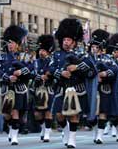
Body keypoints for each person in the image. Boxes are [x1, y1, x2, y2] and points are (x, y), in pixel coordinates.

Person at [50, 18, 97, 148]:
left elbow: (92, 70)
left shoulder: (82, 54)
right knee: (59, 115)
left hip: (77, 87)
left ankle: (72, 139)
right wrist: (61, 73)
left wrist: (76, 68)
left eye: (68, 40)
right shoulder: (57, 55)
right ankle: (65, 131)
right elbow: (51, 69)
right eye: (64, 40)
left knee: (74, 115)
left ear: (74, 41)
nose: (66, 42)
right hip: (61, 88)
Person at [0, 25, 31, 146]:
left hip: (19, 89)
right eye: (8, 43)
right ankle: (10, 129)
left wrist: (21, 72)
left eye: (12, 43)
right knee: (7, 115)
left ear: (17, 44)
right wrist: (8, 77)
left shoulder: (25, 57)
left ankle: (14, 136)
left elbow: (32, 71)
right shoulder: (2, 57)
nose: (10, 45)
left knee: (15, 112)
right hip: (6, 88)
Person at [31, 34, 55, 142]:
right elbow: (31, 72)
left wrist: (49, 75)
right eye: (40, 50)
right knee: (37, 114)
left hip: (48, 88)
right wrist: (37, 76)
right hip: (37, 88)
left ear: (48, 51)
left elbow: (54, 71)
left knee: (48, 111)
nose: (41, 52)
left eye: (44, 50)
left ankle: (47, 133)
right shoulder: (35, 62)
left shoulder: (52, 61)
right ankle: (44, 127)